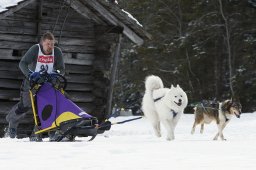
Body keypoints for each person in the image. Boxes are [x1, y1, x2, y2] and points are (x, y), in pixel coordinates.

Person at [5, 32, 65, 141]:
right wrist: (30, 74)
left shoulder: (57, 52)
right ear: (42, 43)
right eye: (48, 44)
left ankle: (42, 132)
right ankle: (12, 123)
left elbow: (62, 69)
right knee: (25, 105)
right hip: (31, 82)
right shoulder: (35, 49)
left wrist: (56, 73)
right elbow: (22, 63)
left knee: (48, 106)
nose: (50, 47)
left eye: (52, 44)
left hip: (47, 83)